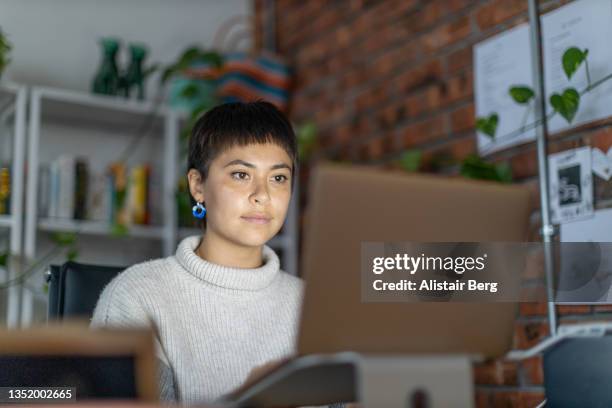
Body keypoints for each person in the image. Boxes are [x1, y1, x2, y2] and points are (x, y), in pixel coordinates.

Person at [90, 101, 304, 405]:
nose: (262, 195)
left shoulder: (310, 305)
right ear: (198, 185)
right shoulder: (136, 298)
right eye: (241, 174)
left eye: (278, 178)